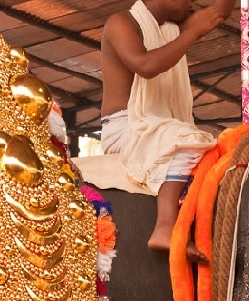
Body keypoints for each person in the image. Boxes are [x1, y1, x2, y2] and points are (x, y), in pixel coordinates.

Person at [100, 0, 234, 254]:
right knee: (188, 139)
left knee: (212, 146)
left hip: (158, 128)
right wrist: (192, 33)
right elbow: (145, 65)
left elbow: (218, 12)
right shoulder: (121, 23)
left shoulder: (173, 27)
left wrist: (194, 27)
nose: (192, 2)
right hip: (125, 128)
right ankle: (164, 227)